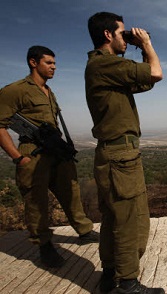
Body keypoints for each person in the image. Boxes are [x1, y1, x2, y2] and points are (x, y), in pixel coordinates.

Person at [85, 12, 163, 294]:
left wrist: (140, 49)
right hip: (121, 157)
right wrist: (147, 44)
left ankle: (108, 276)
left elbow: (145, 82)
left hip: (112, 155)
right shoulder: (105, 64)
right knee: (130, 220)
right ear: (107, 35)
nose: (126, 39)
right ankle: (128, 284)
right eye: (122, 33)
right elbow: (157, 73)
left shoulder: (104, 68)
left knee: (112, 218)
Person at [0, 45, 99, 268]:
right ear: (33, 63)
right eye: (49, 63)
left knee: (71, 191)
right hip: (33, 154)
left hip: (56, 151)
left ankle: (84, 231)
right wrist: (17, 157)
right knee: (37, 202)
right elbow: (0, 126)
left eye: (54, 63)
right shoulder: (14, 90)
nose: (54, 67)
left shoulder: (48, 90)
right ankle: (44, 246)